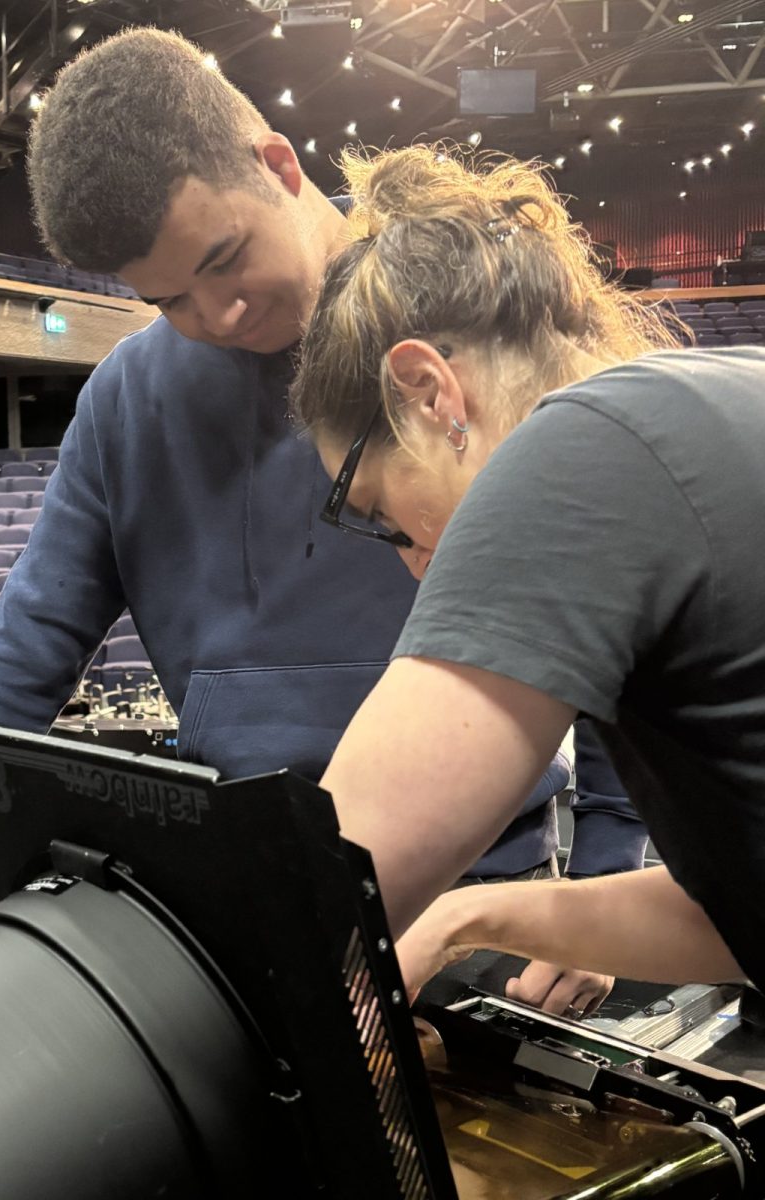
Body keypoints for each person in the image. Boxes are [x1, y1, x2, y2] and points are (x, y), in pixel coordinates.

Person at [0, 31, 639, 1013]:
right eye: (168, 299)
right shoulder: (125, 400)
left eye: (226, 258)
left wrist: (600, 876)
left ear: (278, 164)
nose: (219, 312)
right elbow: (23, 652)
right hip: (258, 899)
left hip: (478, 902)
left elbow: (609, 599)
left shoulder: (452, 308)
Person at [289, 142, 765, 998]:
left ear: (431, 394)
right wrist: (474, 916)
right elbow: (739, 920)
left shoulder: (579, 445)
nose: (413, 566)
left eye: (378, 514)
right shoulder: (715, 397)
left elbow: (315, 896)